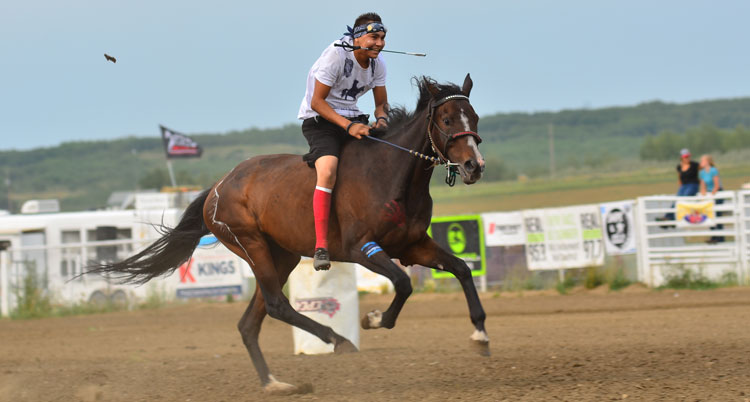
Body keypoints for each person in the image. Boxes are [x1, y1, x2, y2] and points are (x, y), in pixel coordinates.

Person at [297, 12, 390, 270]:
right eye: (374, 37)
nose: (380, 43)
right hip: (321, 121)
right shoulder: (336, 55)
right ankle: (321, 246)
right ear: (358, 37)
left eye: (383, 38)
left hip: (353, 119)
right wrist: (349, 127)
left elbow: (381, 104)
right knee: (327, 171)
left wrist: (381, 121)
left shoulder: (378, 63)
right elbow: (317, 102)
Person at [659, 148, 699, 225]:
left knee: (683, 198)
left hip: (693, 185)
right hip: (684, 186)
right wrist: (680, 188)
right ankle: (668, 216)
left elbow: (703, 173)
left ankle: (674, 218)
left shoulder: (695, 165)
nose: (687, 158)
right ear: (681, 157)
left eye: (688, 156)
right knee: (677, 199)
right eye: (685, 157)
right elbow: (680, 178)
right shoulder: (679, 167)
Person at [699, 154, 724, 243]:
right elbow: (702, 185)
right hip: (709, 194)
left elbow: (717, 185)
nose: (701, 162)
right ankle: (713, 236)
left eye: (703, 161)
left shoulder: (713, 170)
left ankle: (720, 237)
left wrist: (711, 195)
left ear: (708, 162)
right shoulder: (702, 172)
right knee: (709, 214)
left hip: (717, 193)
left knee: (717, 214)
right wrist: (703, 194)